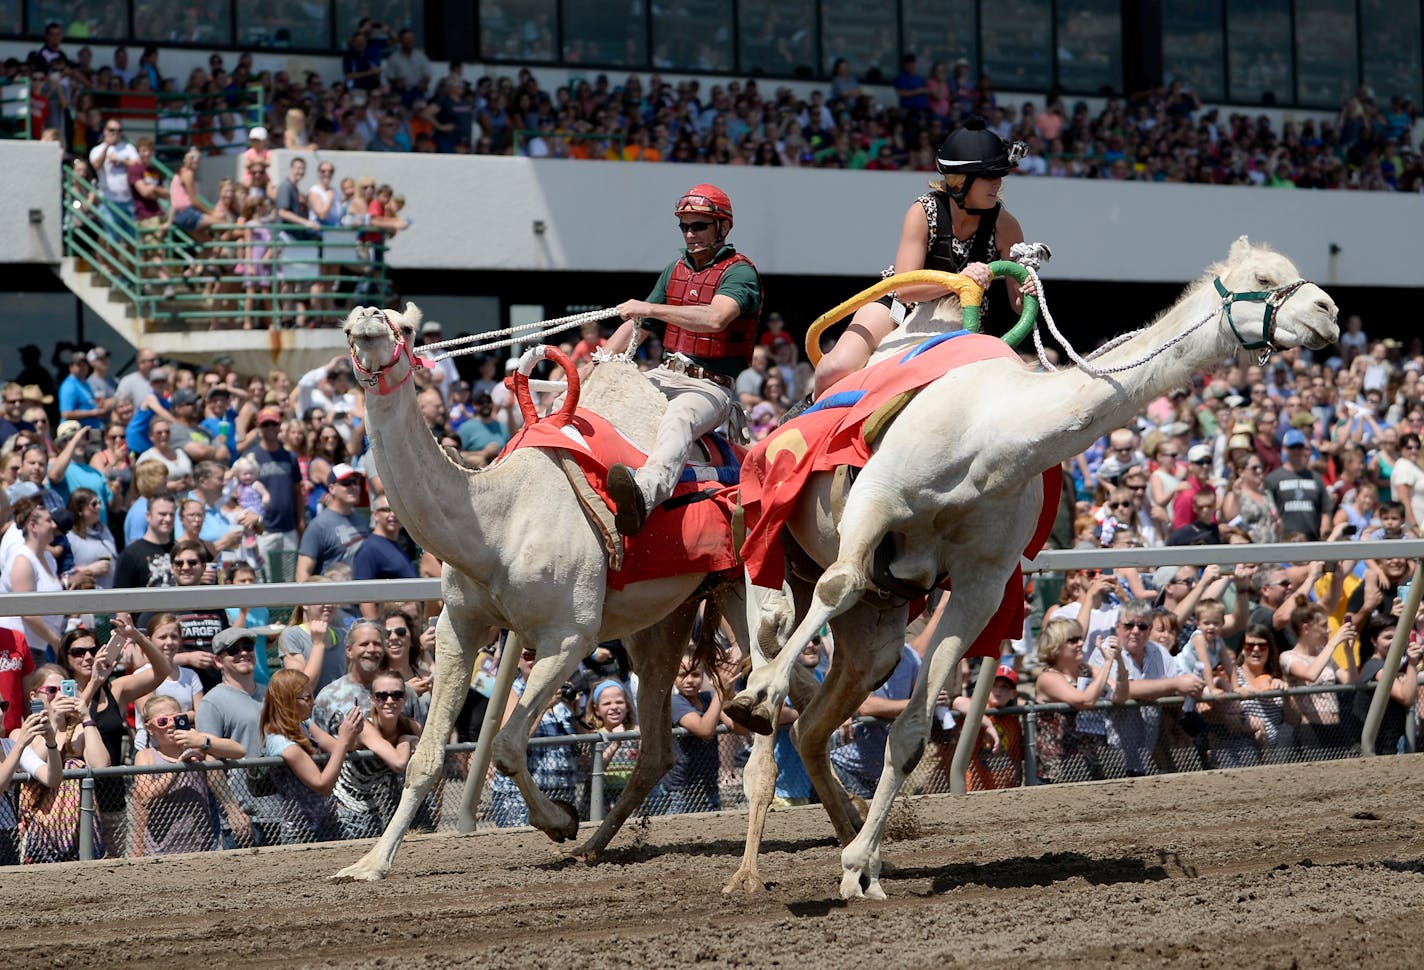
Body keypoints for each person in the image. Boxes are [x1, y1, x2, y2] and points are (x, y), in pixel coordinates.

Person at [811, 117, 1031, 397]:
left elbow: (1017, 301)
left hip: (962, 320)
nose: (998, 184)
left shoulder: (1006, 225)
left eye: (1001, 175)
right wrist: (959, 280)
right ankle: (805, 419)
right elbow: (904, 289)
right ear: (960, 181)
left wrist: (1029, 290)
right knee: (834, 369)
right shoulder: (923, 211)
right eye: (989, 176)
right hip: (899, 308)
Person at [603, 184, 762, 536]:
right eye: (685, 227)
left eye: (699, 225)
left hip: (709, 387)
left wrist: (648, 307)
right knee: (603, 397)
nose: (690, 234)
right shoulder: (675, 268)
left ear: (722, 227)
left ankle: (644, 494)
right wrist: (594, 367)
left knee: (679, 419)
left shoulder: (740, 272)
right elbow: (639, 326)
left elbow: (716, 319)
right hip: (663, 374)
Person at [1084, 599, 1205, 777]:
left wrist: (1191, 686)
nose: (1135, 631)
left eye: (1142, 626)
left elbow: (1181, 684)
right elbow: (1124, 691)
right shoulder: (1106, 651)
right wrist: (1173, 684)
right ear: (1118, 627)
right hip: (1106, 750)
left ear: (1149, 630)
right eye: (1128, 625)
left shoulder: (1159, 652)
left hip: (1144, 749)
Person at [196, 625, 283, 848]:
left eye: (248, 646)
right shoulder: (212, 702)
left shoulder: (271, 693)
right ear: (218, 661)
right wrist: (232, 810)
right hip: (244, 819)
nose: (243, 653)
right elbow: (211, 761)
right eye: (233, 650)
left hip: (282, 812)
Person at [15, 663, 111, 861]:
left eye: (64, 689)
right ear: (34, 696)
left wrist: (86, 717)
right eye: (51, 690)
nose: (58, 695)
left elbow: (101, 764)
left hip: (79, 829)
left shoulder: (79, 730)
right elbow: (35, 762)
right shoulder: (23, 733)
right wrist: (53, 723)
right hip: (41, 829)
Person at [260, 669, 363, 844]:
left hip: (328, 824)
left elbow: (338, 747)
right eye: (307, 698)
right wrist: (344, 740)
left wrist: (352, 732)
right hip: (301, 834)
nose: (313, 703)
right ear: (287, 701)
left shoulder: (305, 724)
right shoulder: (281, 743)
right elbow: (322, 785)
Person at [489, 645, 580, 826]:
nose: (535, 660)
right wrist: (544, 705)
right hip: (521, 795)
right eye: (529, 655)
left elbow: (581, 741)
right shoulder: (511, 691)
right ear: (517, 660)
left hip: (561, 789)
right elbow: (512, 739)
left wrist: (576, 713)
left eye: (543, 654)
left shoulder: (560, 690)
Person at [1033, 617, 1127, 784]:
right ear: (1056, 646)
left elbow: (1120, 695)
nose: (1080, 643)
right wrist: (1107, 663)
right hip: (1056, 770)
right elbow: (1085, 701)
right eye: (1073, 640)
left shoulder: (1086, 670)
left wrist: (1118, 660)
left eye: (1080, 638)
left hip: (1088, 763)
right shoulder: (1048, 678)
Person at [332, 669, 422, 839]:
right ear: (373, 699)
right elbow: (398, 763)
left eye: (396, 695)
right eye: (382, 696)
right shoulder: (365, 726)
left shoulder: (413, 727)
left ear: (405, 698)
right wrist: (406, 740)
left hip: (381, 810)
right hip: (348, 812)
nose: (389, 701)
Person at [130, 695, 220, 856]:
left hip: (201, 847)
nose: (171, 724)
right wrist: (178, 767)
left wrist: (204, 742)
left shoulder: (196, 748)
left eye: (177, 718)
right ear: (150, 728)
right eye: (163, 721)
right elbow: (146, 796)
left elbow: (238, 751)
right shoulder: (145, 756)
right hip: (159, 850)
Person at [242, 406, 304, 582]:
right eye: (265, 424)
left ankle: (287, 610)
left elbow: (297, 491)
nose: (270, 428)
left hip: (288, 527)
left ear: (279, 427)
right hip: (264, 529)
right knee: (265, 579)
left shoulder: (289, 456)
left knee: (289, 578)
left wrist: (300, 522)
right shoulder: (251, 456)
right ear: (259, 428)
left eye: (273, 424)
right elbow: (242, 491)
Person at [1, 498, 66, 661]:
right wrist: (55, 641)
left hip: (40, 646)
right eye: (48, 521)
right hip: (18, 648)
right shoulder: (23, 560)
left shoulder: (49, 559)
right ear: (33, 526)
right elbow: (27, 611)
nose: (54, 525)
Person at [1353, 614, 1424, 755]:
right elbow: (1406, 697)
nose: (1395, 642)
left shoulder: (1393, 667)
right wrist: (1412, 664)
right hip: (1376, 749)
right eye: (1388, 638)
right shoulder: (1375, 667)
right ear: (1374, 640)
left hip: (1392, 744)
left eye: (1398, 637)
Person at [295, 462, 368, 581]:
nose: (354, 487)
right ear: (332, 488)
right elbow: (303, 572)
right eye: (347, 483)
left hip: (364, 594)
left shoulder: (361, 520)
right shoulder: (318, 526)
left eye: (356, 482)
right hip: (335, 596)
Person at [1264, 428, 1332, 541]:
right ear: (1285, 449)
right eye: (1292, 447)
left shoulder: (1316, 478)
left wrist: (1324, 531)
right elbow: (1268, 510)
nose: (1296, 451)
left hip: (1311, 539)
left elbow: (1325, 509)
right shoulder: (1273, 479)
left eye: (1299, 447)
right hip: (1284, 540)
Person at [279, 578, 345, 691]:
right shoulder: (291, 636)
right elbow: (303, 688)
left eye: (332, 598)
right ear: (305, 604)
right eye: (322, 598)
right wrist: (318, 644)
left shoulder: (343, 635)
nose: (329, 604)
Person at [584, 678, 637, 814]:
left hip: (630, 794)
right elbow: (595, 766)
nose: (614, 707)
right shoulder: (595, 735)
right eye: (606, 703)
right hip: (602, 797)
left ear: (627, 706)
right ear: (596, 709)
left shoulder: (635, 732)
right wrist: (616, 742)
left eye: (619, 702)